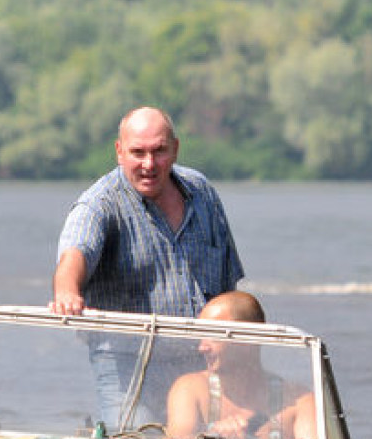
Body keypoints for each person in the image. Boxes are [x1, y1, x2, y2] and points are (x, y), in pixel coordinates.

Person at [51, 106, 244, 317]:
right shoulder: (98, 204)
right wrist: (67, 293)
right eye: (138, 152)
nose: (149, 164)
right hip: (125, 348)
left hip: (202, 348)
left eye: (159, 150)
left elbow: (229, 291)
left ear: (175, 149)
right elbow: (76, 252)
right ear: (119, 152)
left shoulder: (202, 192)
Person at [166, 291, 318, 439]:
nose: (202, 348)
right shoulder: (190, 389)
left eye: (213, 335)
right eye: (202, 336)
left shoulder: (300, 401)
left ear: (249, 338)